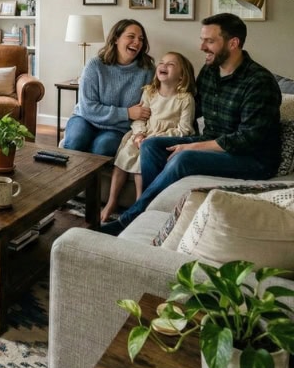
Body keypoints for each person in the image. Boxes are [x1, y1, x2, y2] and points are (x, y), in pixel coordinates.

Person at [101, 13, 282, 235]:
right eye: (202, 39)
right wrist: (155, 111)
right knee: (151, 145)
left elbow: (247, 139)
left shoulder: (259, 82)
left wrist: (190, 146)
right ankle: (153, 212)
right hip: (211, 141)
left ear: (233, 43)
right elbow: (191, 108)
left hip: (253, 158)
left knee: (184, 157)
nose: (201, 46)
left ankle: (130, 217)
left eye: (210, 41)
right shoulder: (210, 71)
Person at [100, 51, 196, 222]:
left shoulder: (185, 99)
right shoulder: (149, 92)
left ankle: (140, 204)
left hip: (162, 140)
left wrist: (160, 136)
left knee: (141, 162)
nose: (164, 66)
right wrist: (139, 134)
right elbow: (140, 118)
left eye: (171, 64)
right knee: (124, 157)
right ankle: (111, 201)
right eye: (162, 62)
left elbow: (185, 129)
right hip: (143, 135)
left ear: (181, 76)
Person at [63, 19, 156, 157]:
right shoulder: (95, 65)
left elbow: (144, 108)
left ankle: (91, 178)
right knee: (76, 141)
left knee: (102, 148)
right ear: (116, 39)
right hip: (85, 119)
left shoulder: (147, 70)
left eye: (141, 39)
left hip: (117, 128)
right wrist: (127, 113)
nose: (137, 42)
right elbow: (88, 108)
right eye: (131, 36)